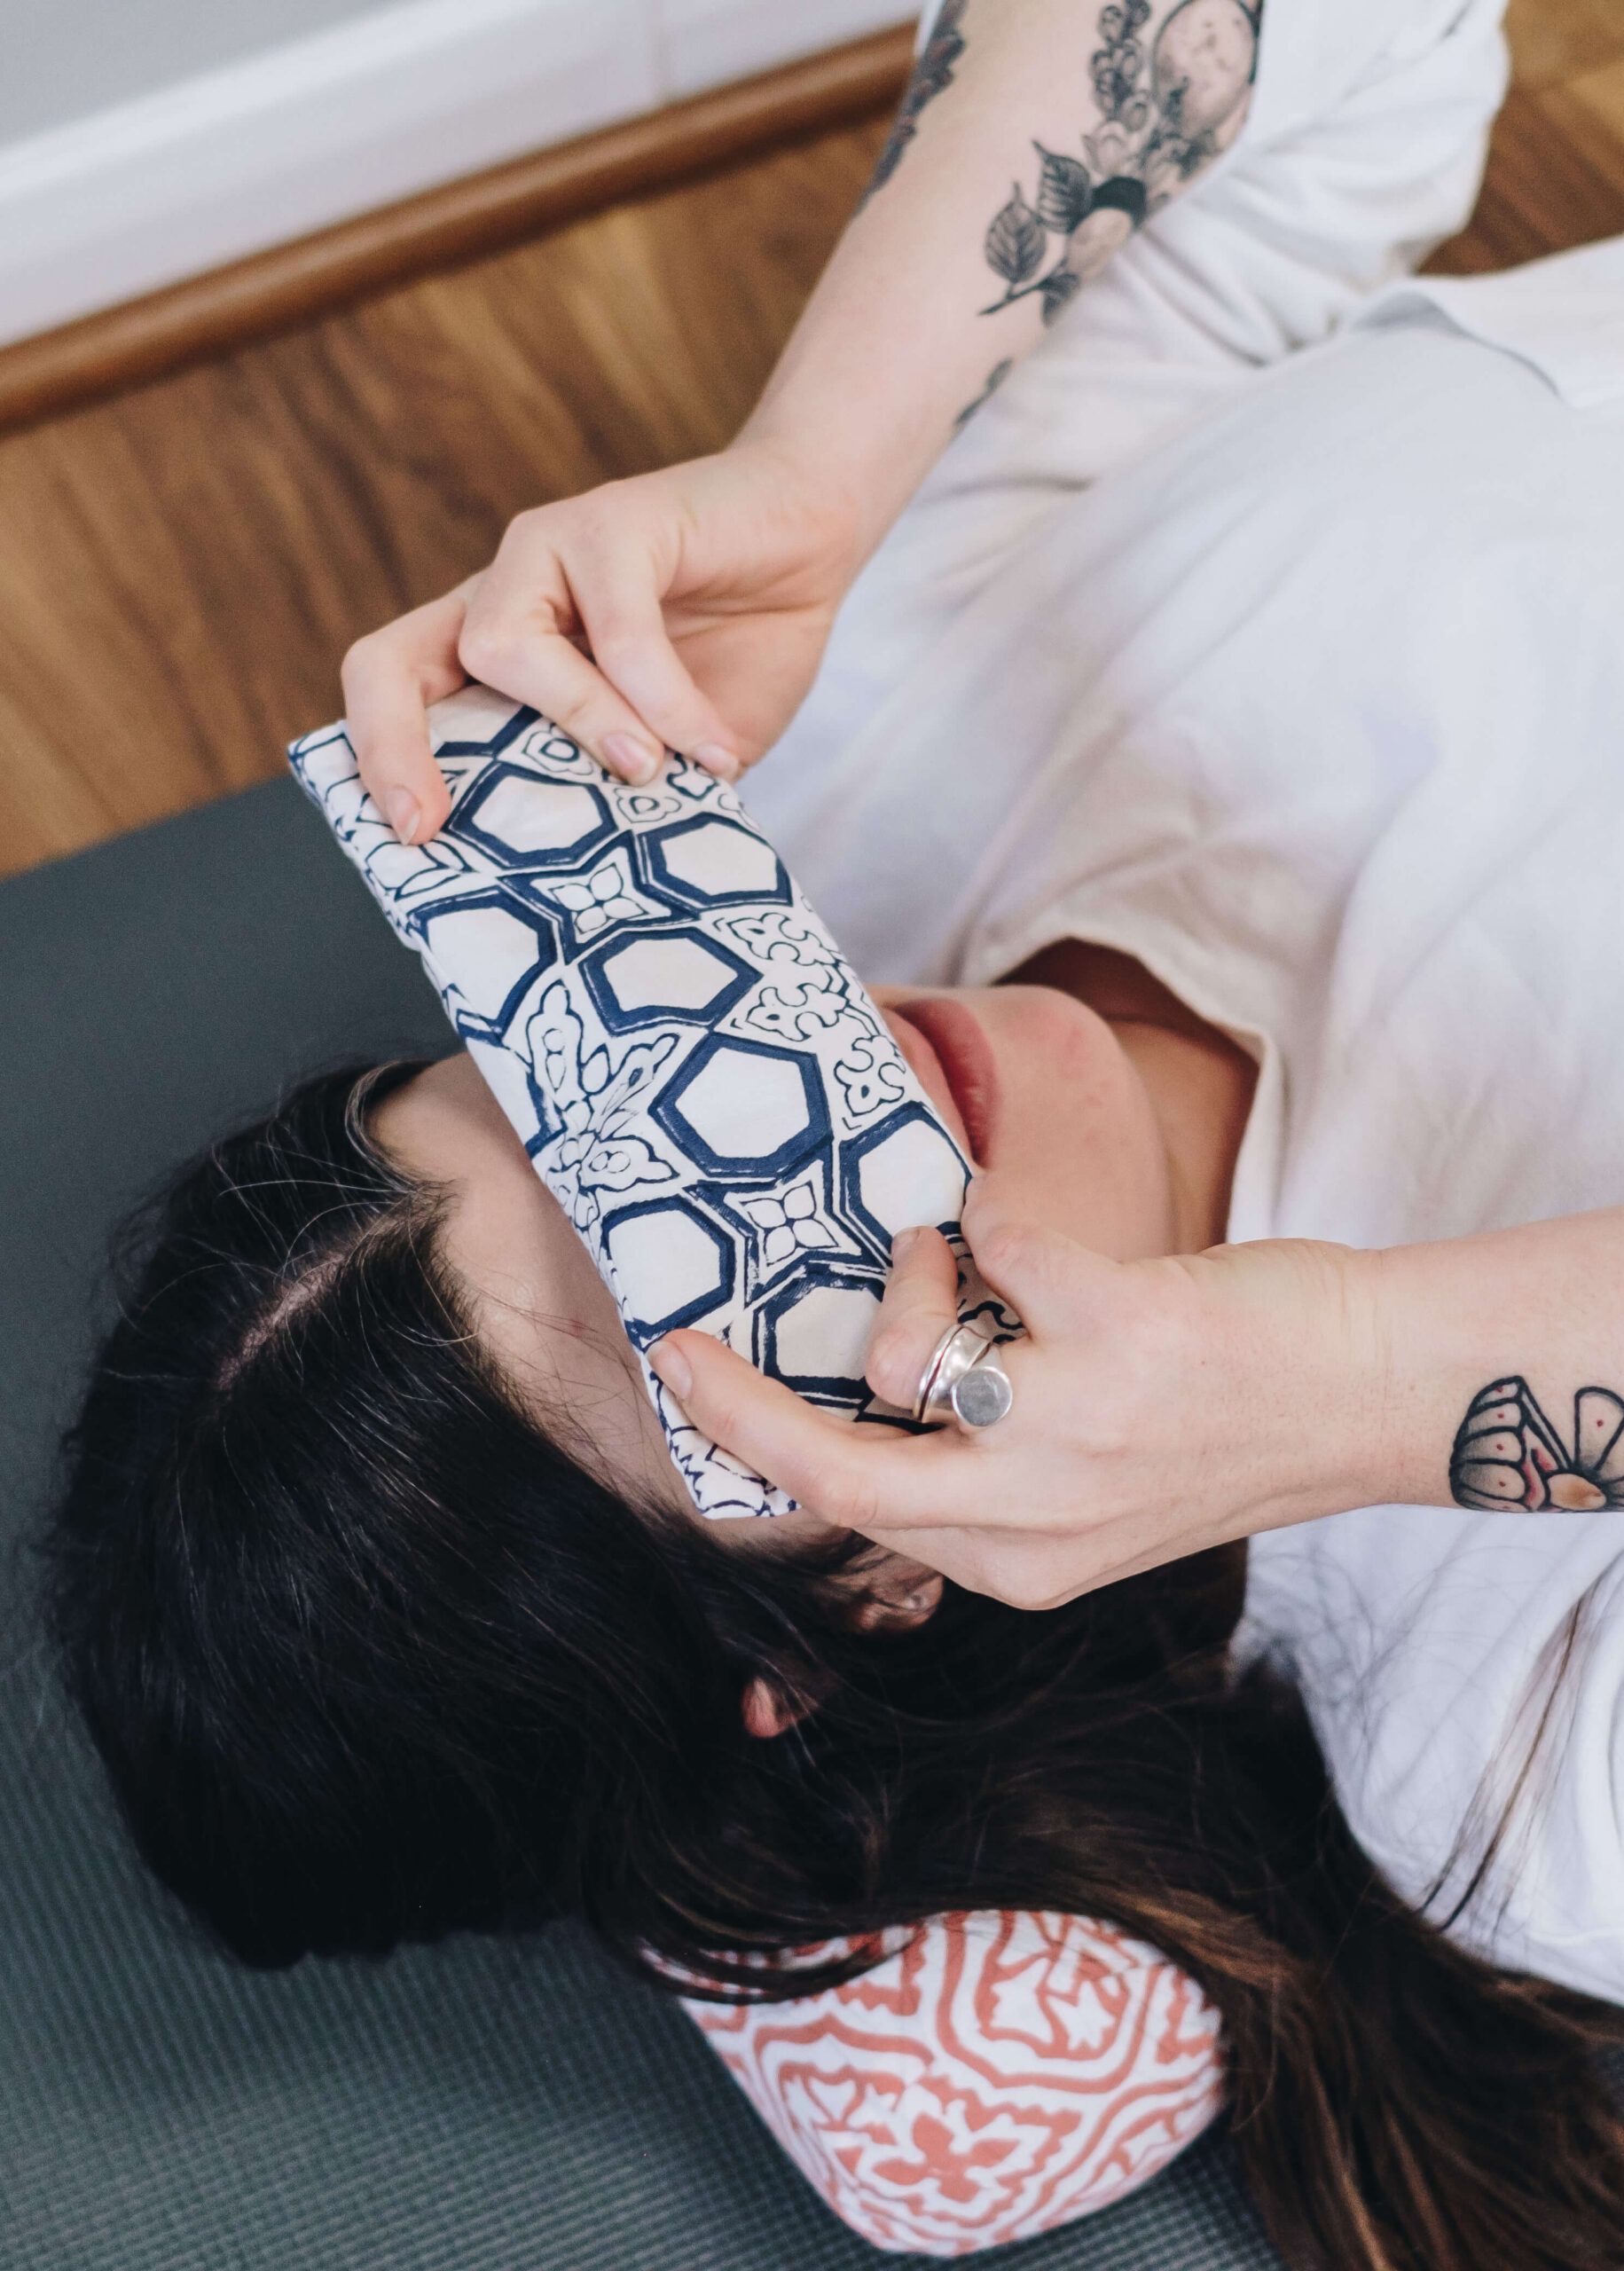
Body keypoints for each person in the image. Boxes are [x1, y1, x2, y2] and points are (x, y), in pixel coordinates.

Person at [47, 0, 1624, 2265]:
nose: (835, 1049)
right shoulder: (1516, 1759)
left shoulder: (849, 752)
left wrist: (824, 451)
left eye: (557, 1066)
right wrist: (1361, 1384)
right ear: (860, 1567)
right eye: (682, 1239)